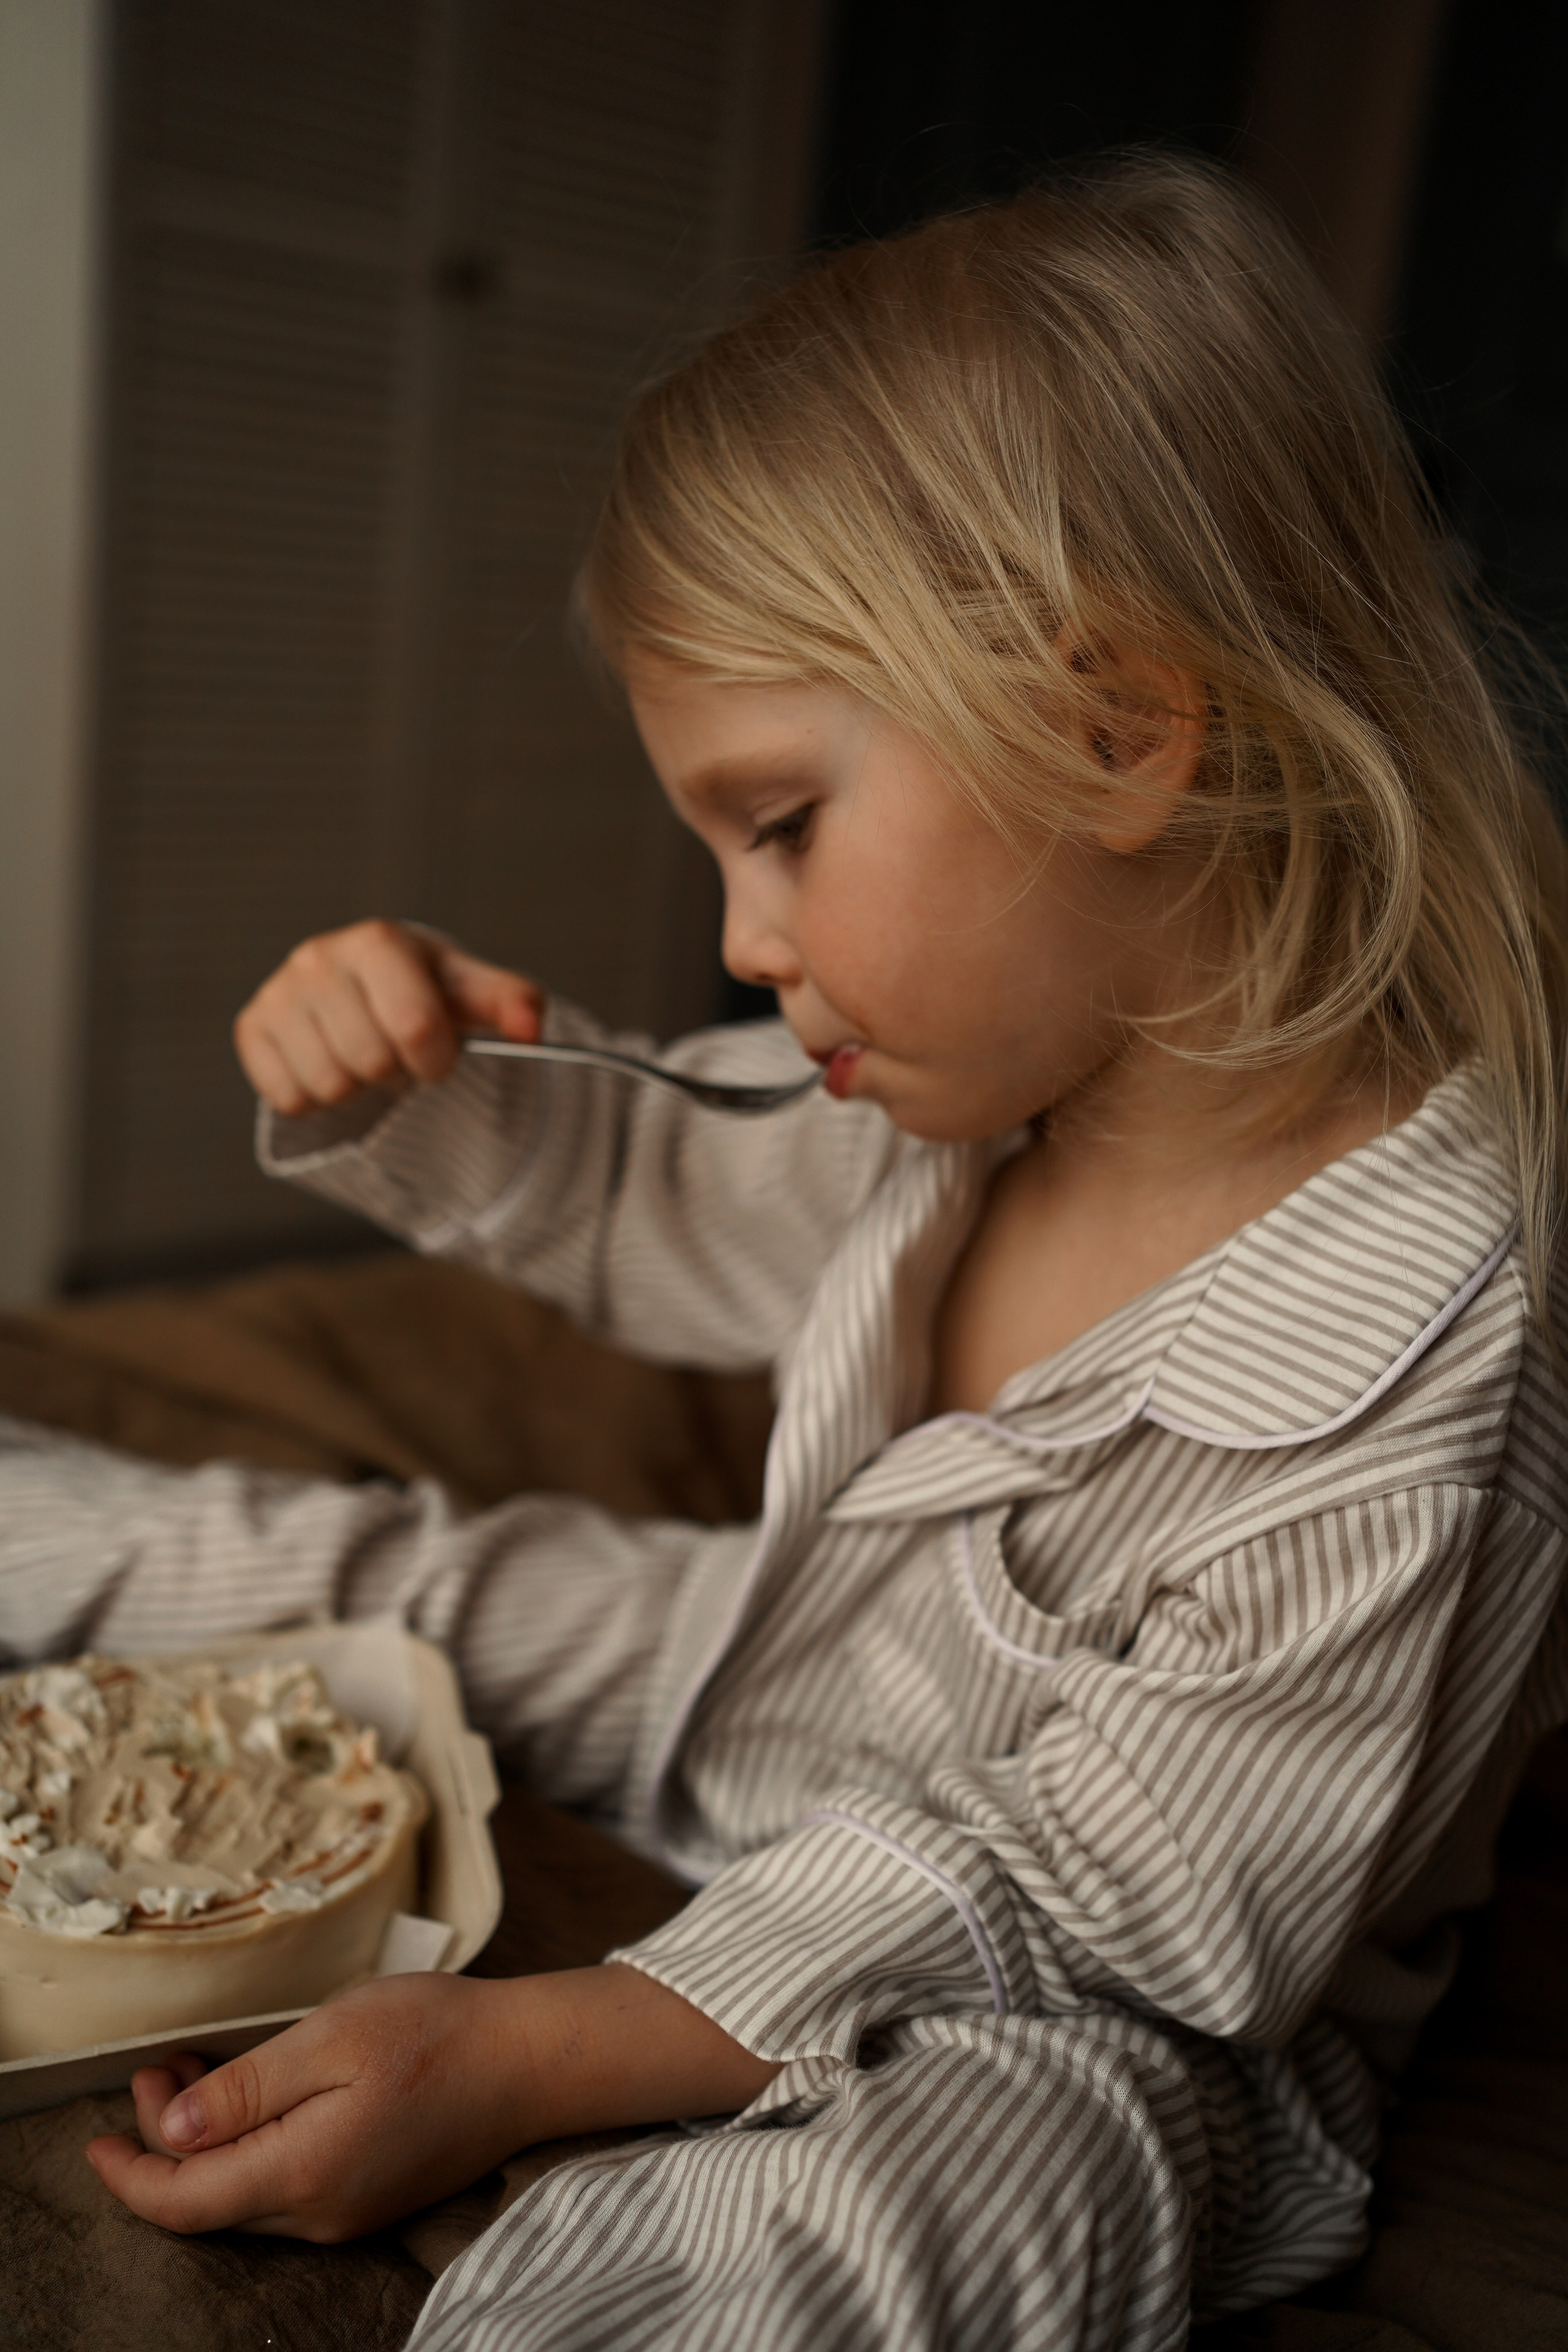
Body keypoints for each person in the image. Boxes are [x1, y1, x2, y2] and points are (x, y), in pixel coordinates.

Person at [4, 152, 1567, 2350]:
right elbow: (653, 1198)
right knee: (374, 1572)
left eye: (781, 827)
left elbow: (1140, 1895)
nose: (744, 943)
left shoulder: (1440, 1351)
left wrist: (553, 2043)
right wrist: (412, 1085)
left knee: (1019, 2172)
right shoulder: (979, 1092)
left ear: (1118, 728)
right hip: (756, 1688)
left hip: (1115, 1986)